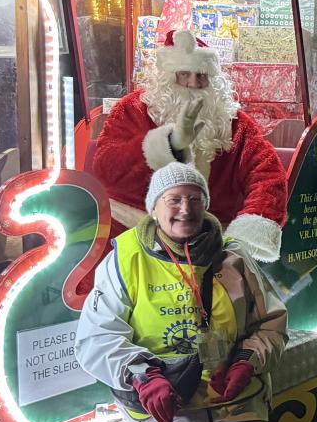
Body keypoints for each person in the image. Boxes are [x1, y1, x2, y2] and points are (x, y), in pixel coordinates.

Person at [76, 162, 291, 422]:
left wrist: (246, 362)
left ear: (206, 204)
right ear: (154, 207)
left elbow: (271, 322)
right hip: (165, 400)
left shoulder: (234, 257)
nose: (186, 209)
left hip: (233, 393)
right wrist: (143, 375)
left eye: (195, 199)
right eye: (174, 199)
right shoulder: (124, 260)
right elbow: (96, 338)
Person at [92, 30, 286, 263]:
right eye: (184, 74)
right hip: (134, 235)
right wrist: (168, 144)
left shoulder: (235, 123)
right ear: (166, 75)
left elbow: (267, 175)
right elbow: (106, 167)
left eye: (202, 75)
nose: (193, 84)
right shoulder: (132, 110)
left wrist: (245, 237)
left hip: (210, 245)